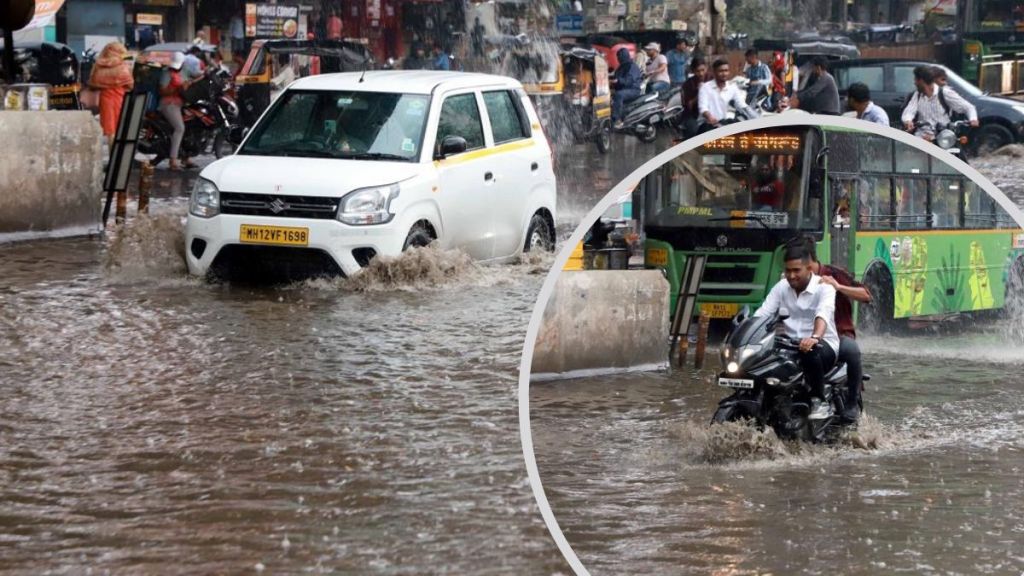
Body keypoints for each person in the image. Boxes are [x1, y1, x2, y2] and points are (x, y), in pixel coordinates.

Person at [753, 240, 840, 420]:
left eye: (796, 271)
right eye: (788, 271)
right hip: (789, 345)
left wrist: (815, 337)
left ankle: (818, 399)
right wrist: (747, 330)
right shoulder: (781, 287)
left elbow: (823, 315)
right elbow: (763, 313)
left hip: (823, 345)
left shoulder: (825, 289)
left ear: (810, 269)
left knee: (810, 351)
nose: (791, 276)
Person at [801, 237, 872, 422]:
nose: (793, 273)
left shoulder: (833, 274)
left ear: (810, 260)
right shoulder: (791, 280)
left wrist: (838, 287)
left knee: (851, 351)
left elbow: (866, 295)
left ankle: (851, 403)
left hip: (838, 333)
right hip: (804, 336)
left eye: (798, 265)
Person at [901, 65, 978, 140]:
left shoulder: (945, 93)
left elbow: (968, 107)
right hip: (922, 138)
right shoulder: (917, 95)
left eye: (915, 79)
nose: (914, 82)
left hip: (943, 138)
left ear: (921, 81)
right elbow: (909, 111)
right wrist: (908, 121)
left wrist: (973, 119)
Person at [87, 41, 135, 142]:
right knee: (120, 127)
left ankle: (111, 153)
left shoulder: (99, 65)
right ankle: (118, 153)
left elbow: (93, 82)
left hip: (105, 98)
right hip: (119, 98)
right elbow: (130, 84)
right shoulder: (122, 66)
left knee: (110, 130)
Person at [158, 52, 194, 170]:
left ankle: (186, 157)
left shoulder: (185, 71)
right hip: (169, 104)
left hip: (182, 103)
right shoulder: (166, 74)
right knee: (180, 128)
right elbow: (162, 91)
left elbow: (196, 77)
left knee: (190, 126)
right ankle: (173, 160)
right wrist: (177, 89)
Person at [697, 59, 745, 133]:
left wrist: (750, 113)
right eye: (721, 71)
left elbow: (741, 104)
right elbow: (703, 108)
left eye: (726, 70)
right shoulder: (705, 88)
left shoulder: (732, 87)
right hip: (708, 124)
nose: (724, 73)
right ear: (714, 72)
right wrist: (710, 117)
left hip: (725, 123)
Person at [611, 47, 643, 129]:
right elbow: (616, 77)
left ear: (624, 56)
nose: (618, 59)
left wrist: (618, 81)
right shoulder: (621, 67)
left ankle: (617, 120)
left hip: (633, 89)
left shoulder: (632, 66)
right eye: (617, 57)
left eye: (619, 57)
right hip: (624, 89)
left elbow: (629, 80)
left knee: (618, 95)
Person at [679, 57, 708, 137]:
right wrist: (699, 93)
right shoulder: (687, 84)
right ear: (693, 71)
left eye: (703, 70)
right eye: (698, 71)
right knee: (692, 130)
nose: (701, 73)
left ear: (706, 68)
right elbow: (689, 105)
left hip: (710, 113)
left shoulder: (712, 80)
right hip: (692, 114)